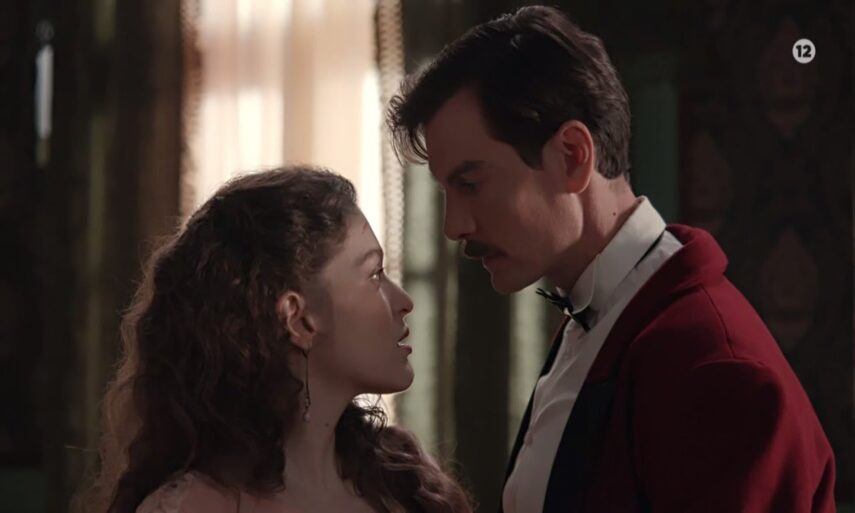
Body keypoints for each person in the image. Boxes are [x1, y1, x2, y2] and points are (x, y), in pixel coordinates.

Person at [387, 5, 836, 513]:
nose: (453, 227)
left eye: (471, 183)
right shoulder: (596, 318)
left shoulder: (715, 368)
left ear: (573, 156)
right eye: (446, 192)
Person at [85, 167, 472, 513]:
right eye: (374, 275)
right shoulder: (193, 506)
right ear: (298, 318)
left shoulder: (408, 488)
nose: (404, 301)